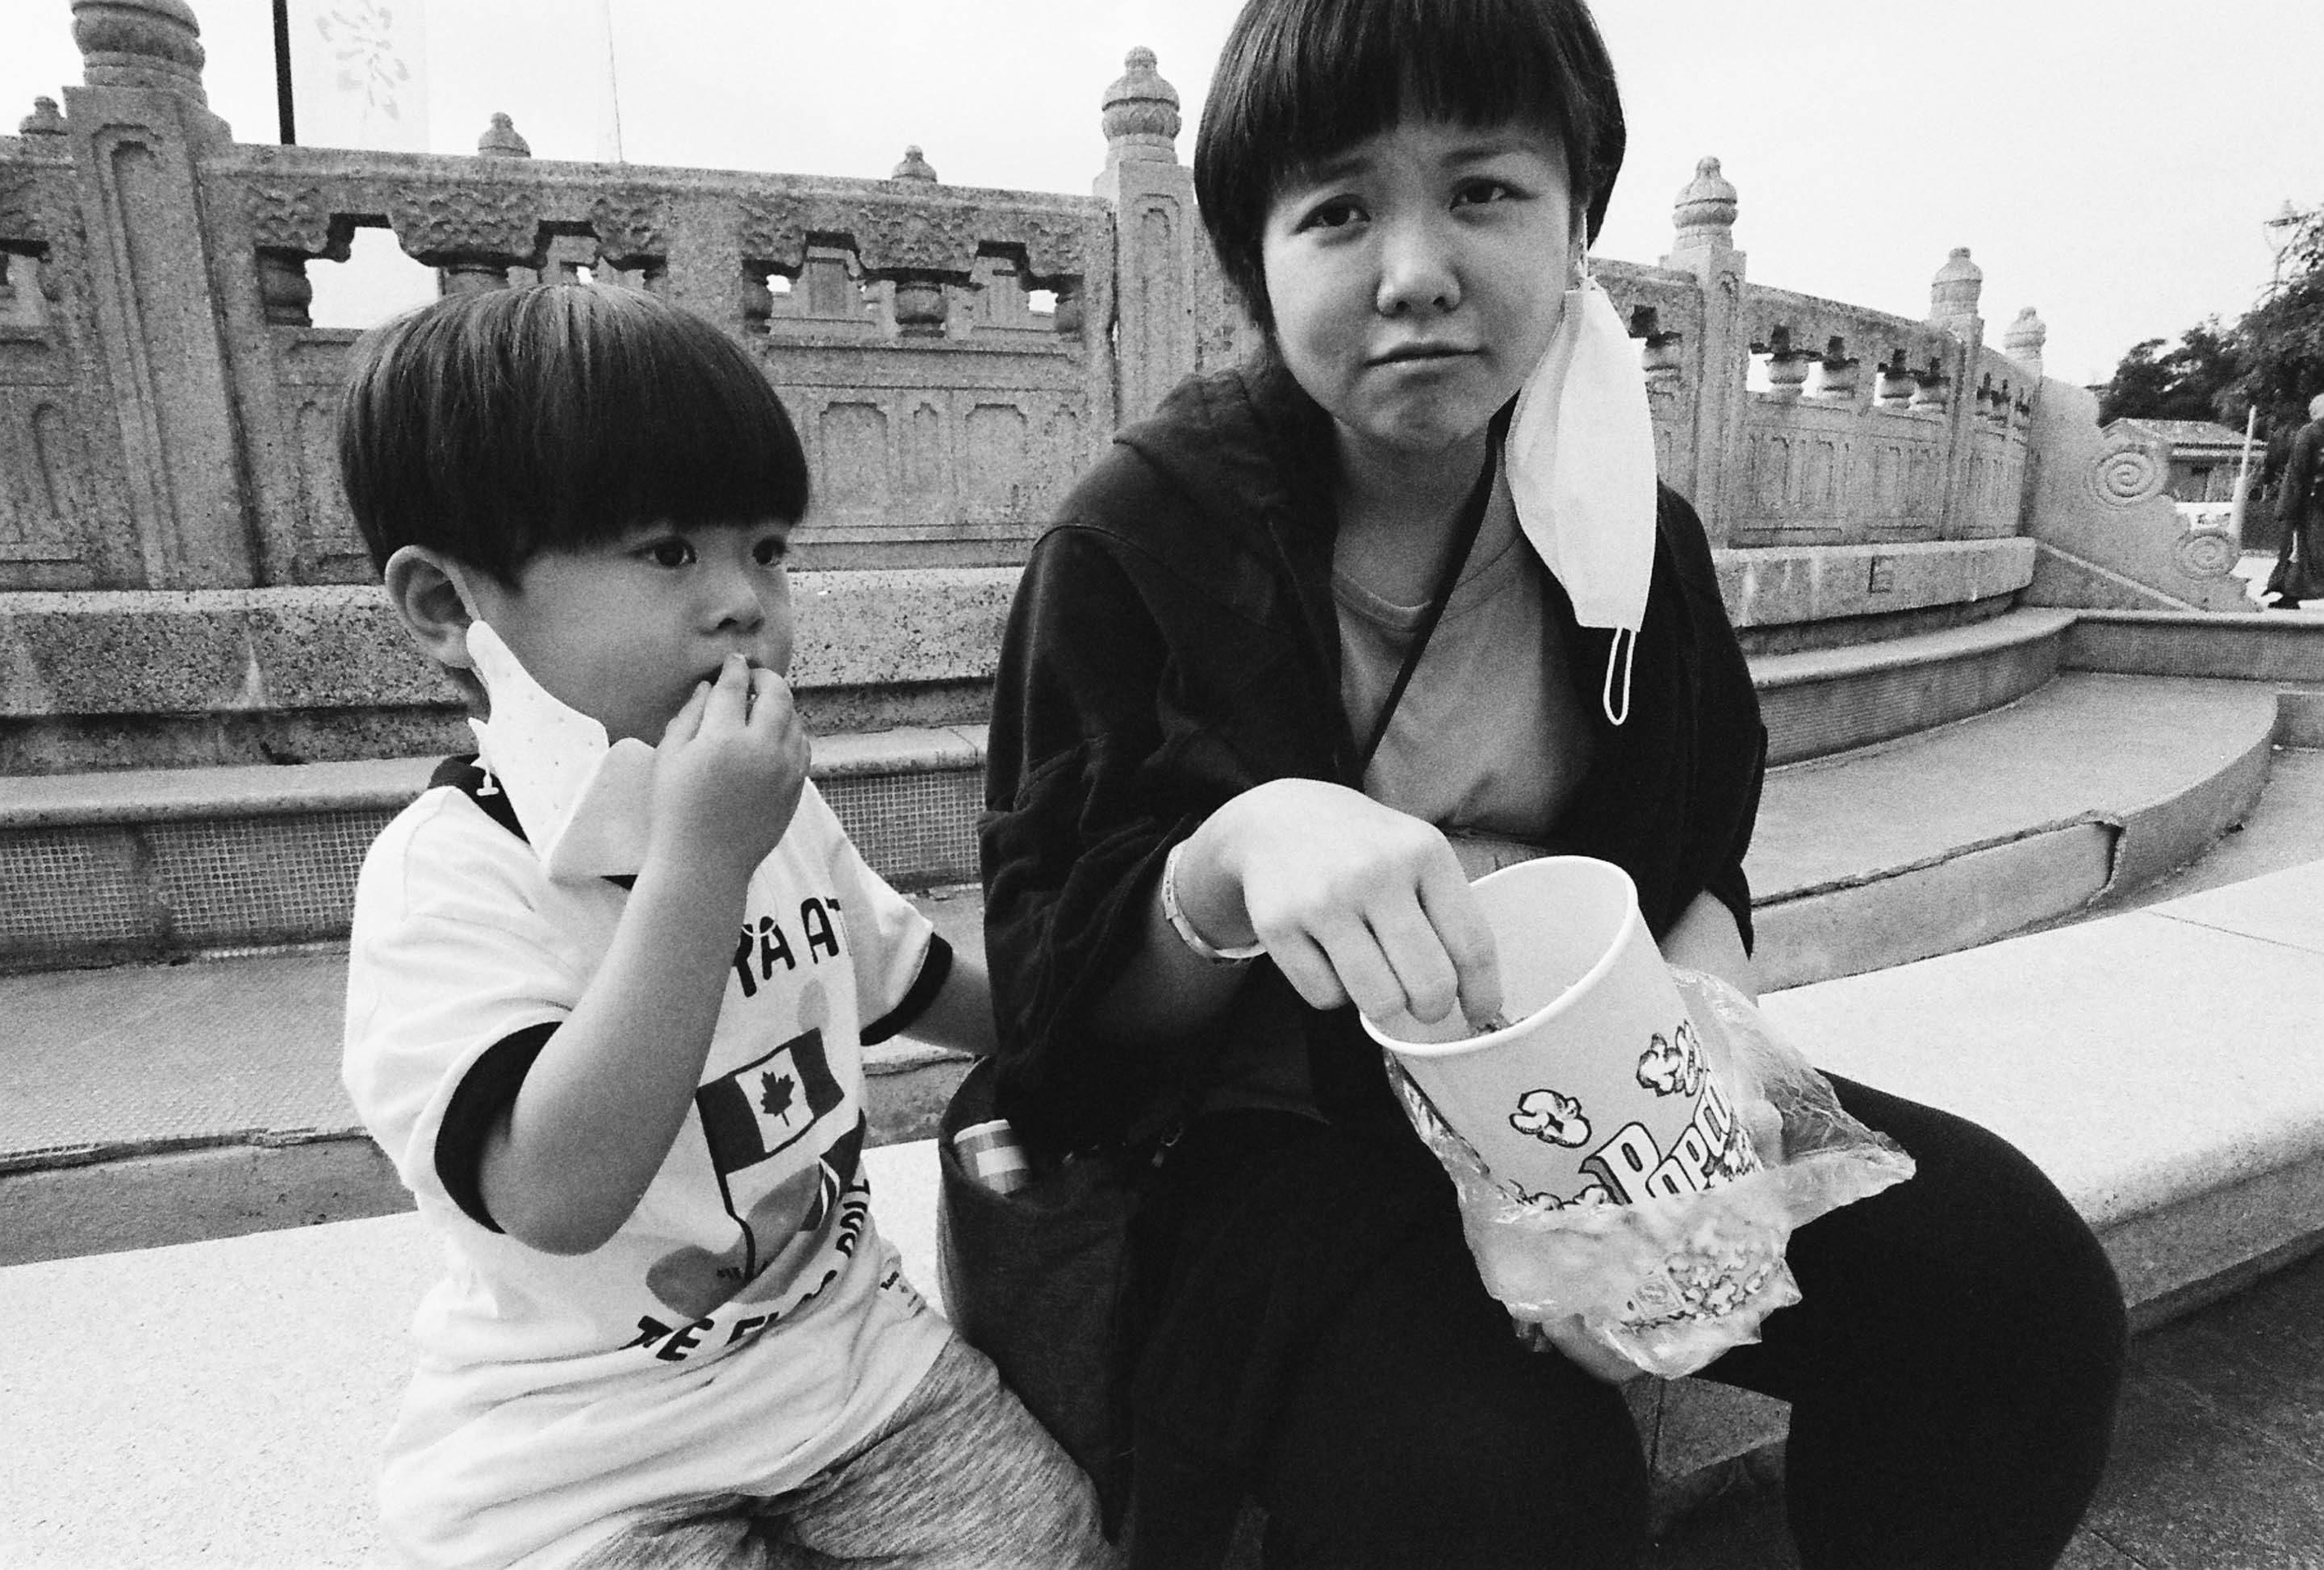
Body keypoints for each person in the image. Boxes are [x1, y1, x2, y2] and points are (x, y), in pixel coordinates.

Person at [979, 1, 2128, 1565]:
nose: (1415, 270)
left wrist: (1692, 1123)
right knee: (1499, 1494)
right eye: (1337, 209)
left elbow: (1696, 858)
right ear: (1254, 259)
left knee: (2007, 1282)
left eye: (1483, 190)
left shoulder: (1624, 529)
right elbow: (1058, 1021)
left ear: (1576, 214)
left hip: (1617, 1093)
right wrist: (1229, 856)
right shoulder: (1135, 549)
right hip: (1293, 1139)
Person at [337, 284, 1107, 1570]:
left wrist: (1122, 1010)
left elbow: (922, 986)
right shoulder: (451, 882)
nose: (744, 601)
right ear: (444, 605)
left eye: (765, 548)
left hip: (841, 1358)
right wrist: (700, 860)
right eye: (667, 552)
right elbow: (558, 1190)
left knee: (1051, 1537)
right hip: (581, 1445)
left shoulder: (776, 811)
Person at [2266, 391, 2324, 609]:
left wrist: (2292, 504)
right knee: (2306, 549)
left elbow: (2299, 473)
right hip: (2312, 500)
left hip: (2309, 501)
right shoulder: (2311, 434)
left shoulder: (2309, 433)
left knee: (2304, 548)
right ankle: (2290, 593)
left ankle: (2290, 593)